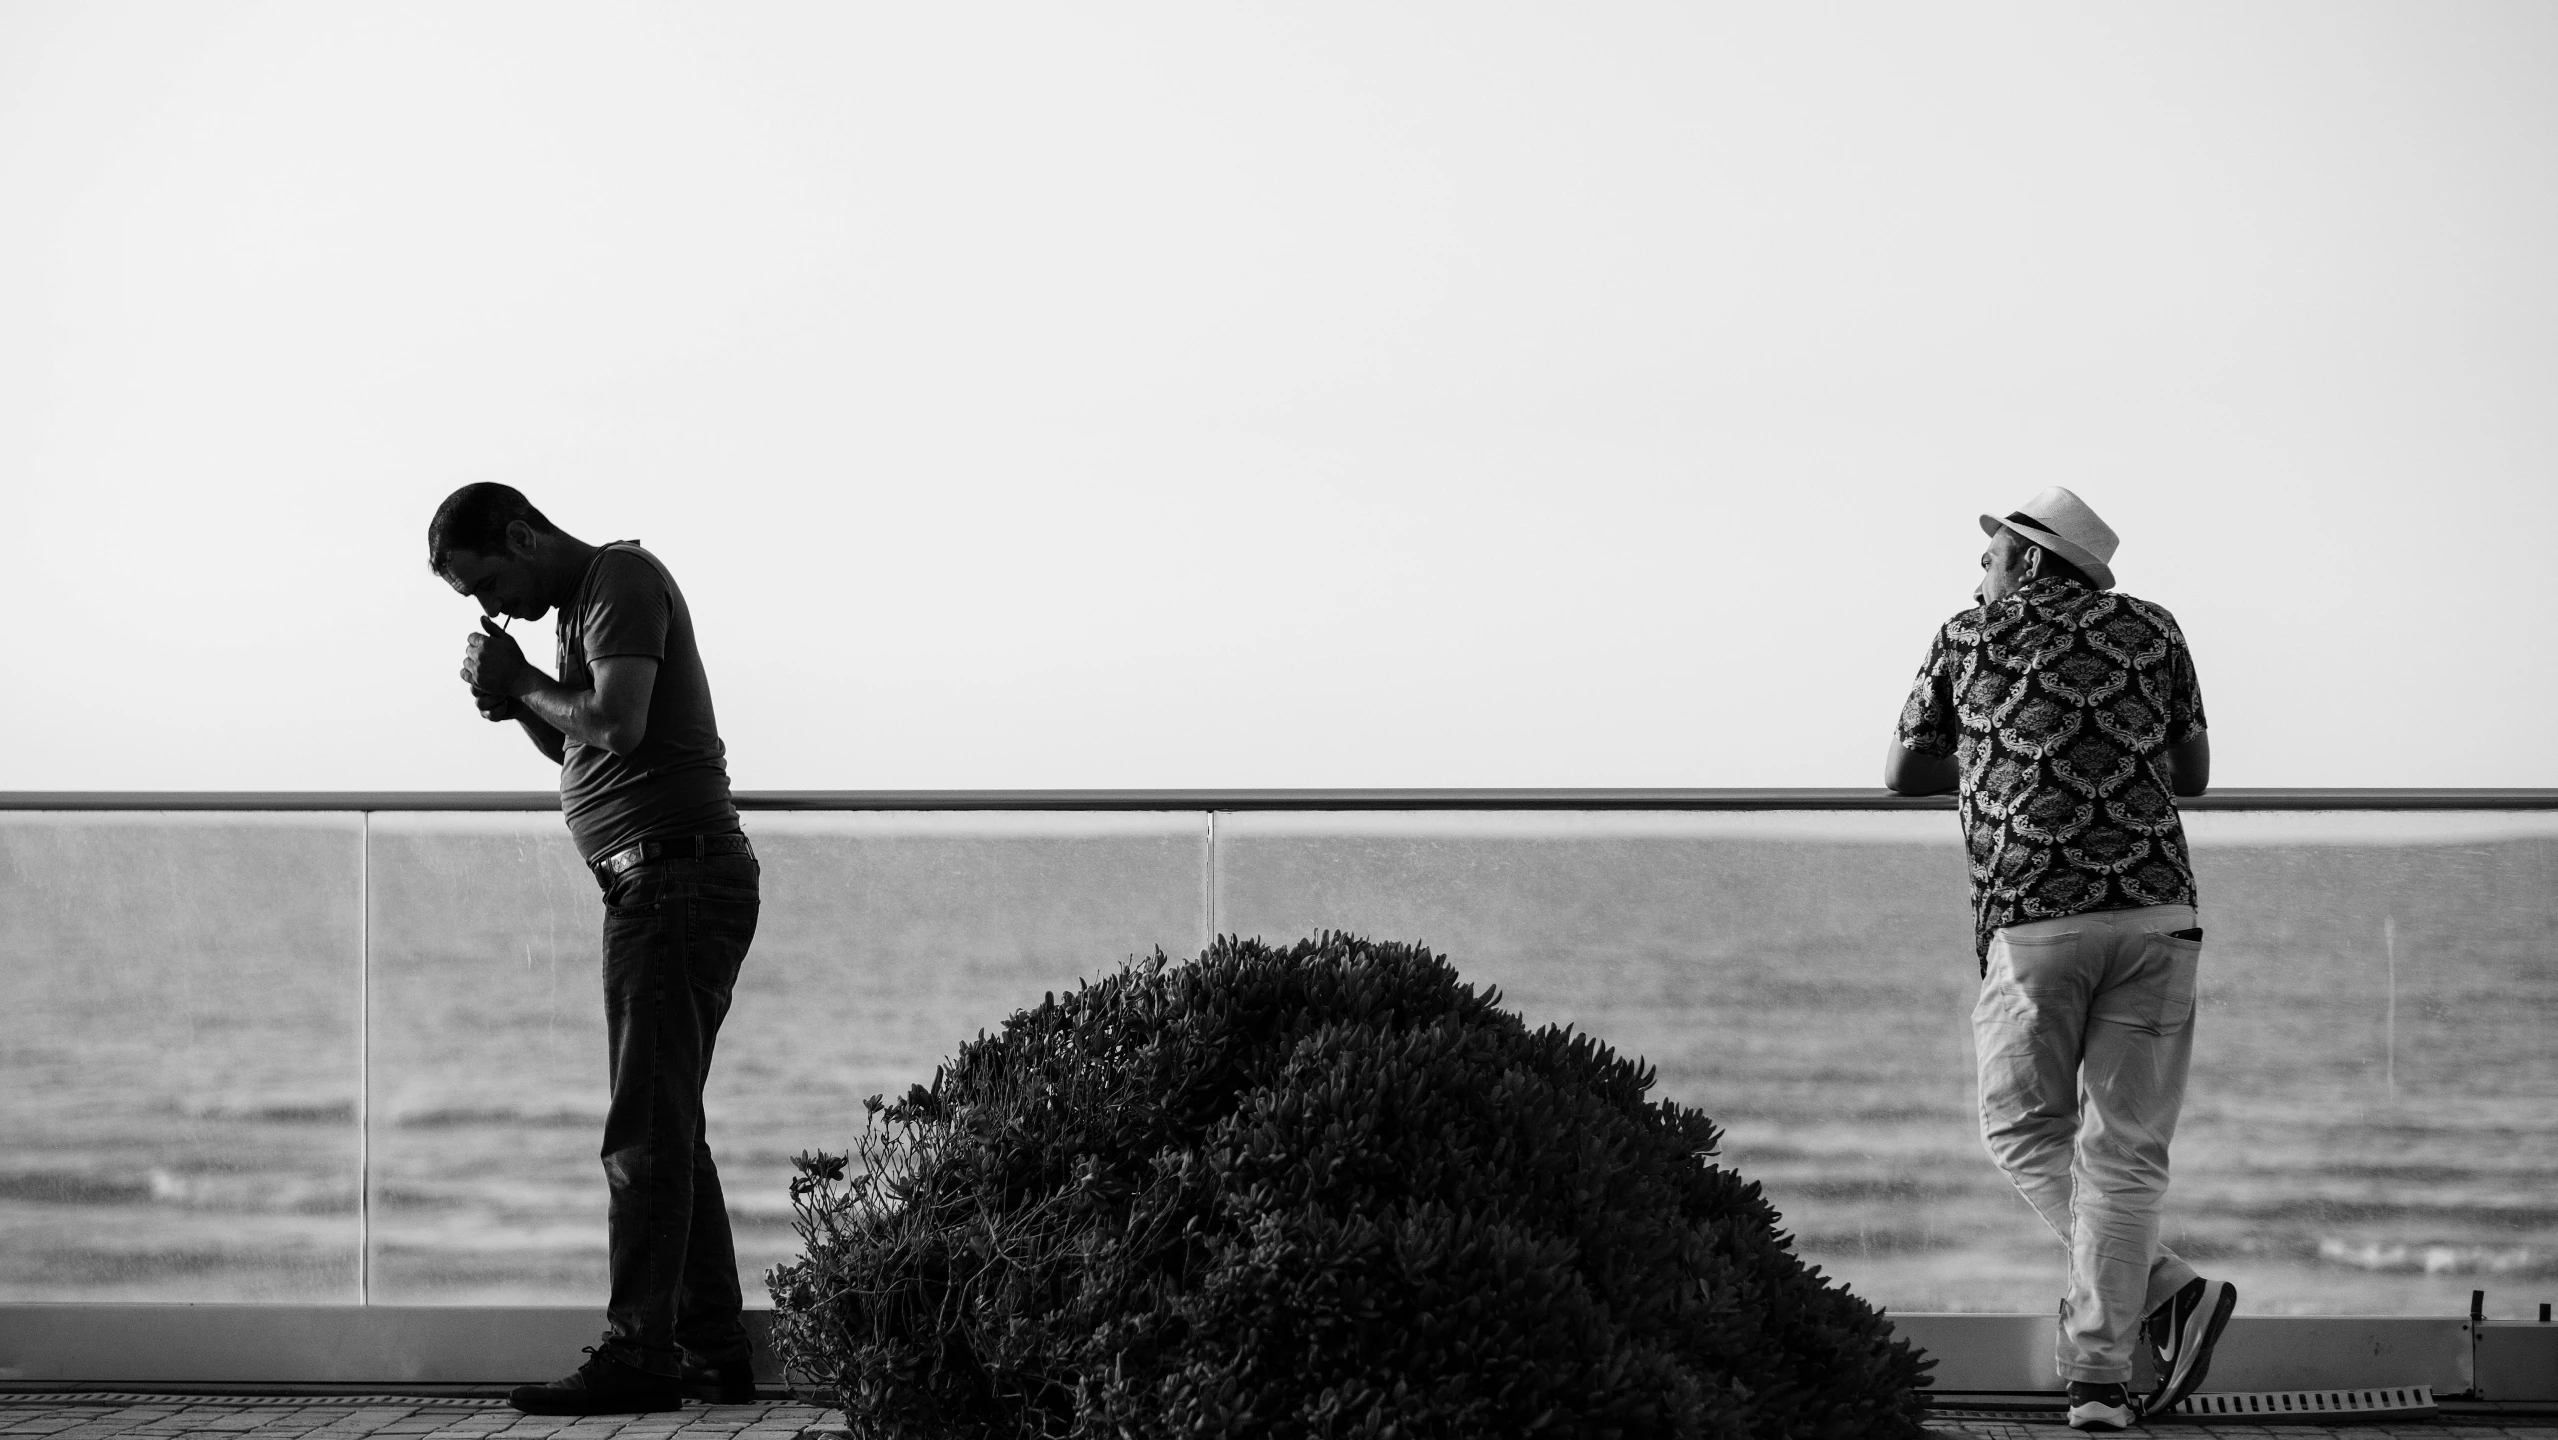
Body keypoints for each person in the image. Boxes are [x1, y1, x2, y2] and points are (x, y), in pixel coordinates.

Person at [1885, 487, 2238, 1433]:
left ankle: (2168, 1291)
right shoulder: (2155, 630)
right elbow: (2192, 776)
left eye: (1994, 557)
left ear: (2034, 563)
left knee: (2018, 1127)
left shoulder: (1971, 637)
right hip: (2159, 913)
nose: (1981, 575)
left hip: (2036, 919)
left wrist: (2005, 744)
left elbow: (1901, 772)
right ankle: (2099, 1383)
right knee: (2125, 1155)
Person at [430, 483, 761, 1415]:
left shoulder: (619, 578)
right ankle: (709, 1350)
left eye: (486, 581)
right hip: (659, 882)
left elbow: (618, 722)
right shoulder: (582, 608)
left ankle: (640, 1357)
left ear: (523, 534)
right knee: (667, 1129)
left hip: (674, 881)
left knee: (642, 1136)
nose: (490, 607)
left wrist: (526, 681)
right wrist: (524, 703)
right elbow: (588, 748)